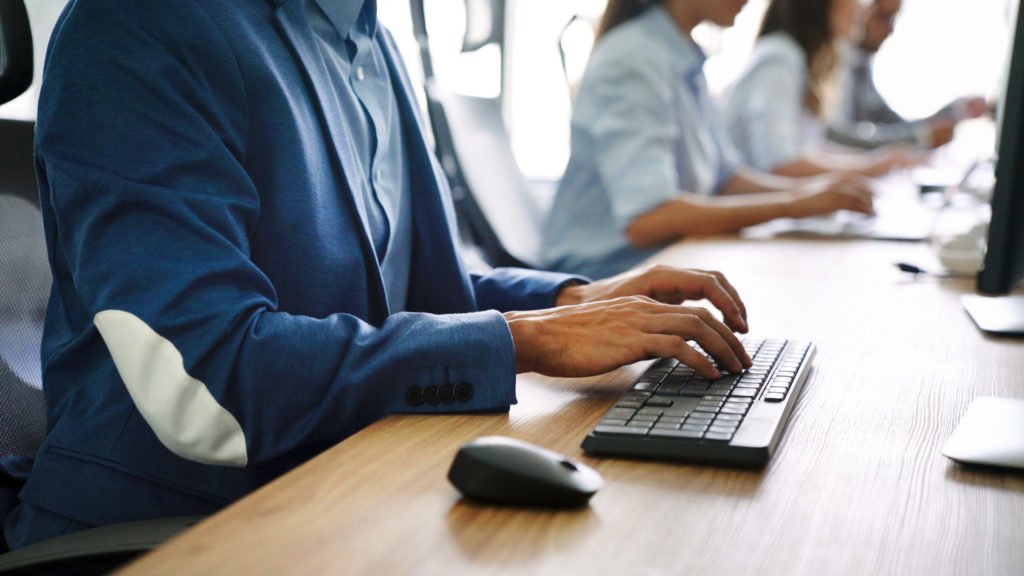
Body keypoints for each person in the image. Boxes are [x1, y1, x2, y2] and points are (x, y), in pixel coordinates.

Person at [1, 0, 757, 550]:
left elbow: (421, 295)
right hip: (177, 532)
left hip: (348, 488)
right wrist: (527, 341)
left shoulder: (364, 34)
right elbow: (211, 390)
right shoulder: (139, 27)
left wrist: (571, 302)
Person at [542, 0, 875, 279]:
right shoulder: (634, 59)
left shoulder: (681, 54)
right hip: (603, 278)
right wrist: (791, 205)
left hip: (667, 262)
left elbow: (726, 179)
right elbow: (648, 218)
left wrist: (811, 194)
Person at [723, 0, 919, 177]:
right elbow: (779, 164)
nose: (862, 8)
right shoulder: (778, 58)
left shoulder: (803, 62)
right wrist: (870, 167)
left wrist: (878, 162)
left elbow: (812, 150)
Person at [827, 0, 989, 150]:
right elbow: (834, 137)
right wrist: (919, 138)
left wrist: (953, 110)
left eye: (894, 18)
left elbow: (892, 123)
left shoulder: (859, 63)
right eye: (884, 17)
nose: (891, 29)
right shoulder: (831, 62)